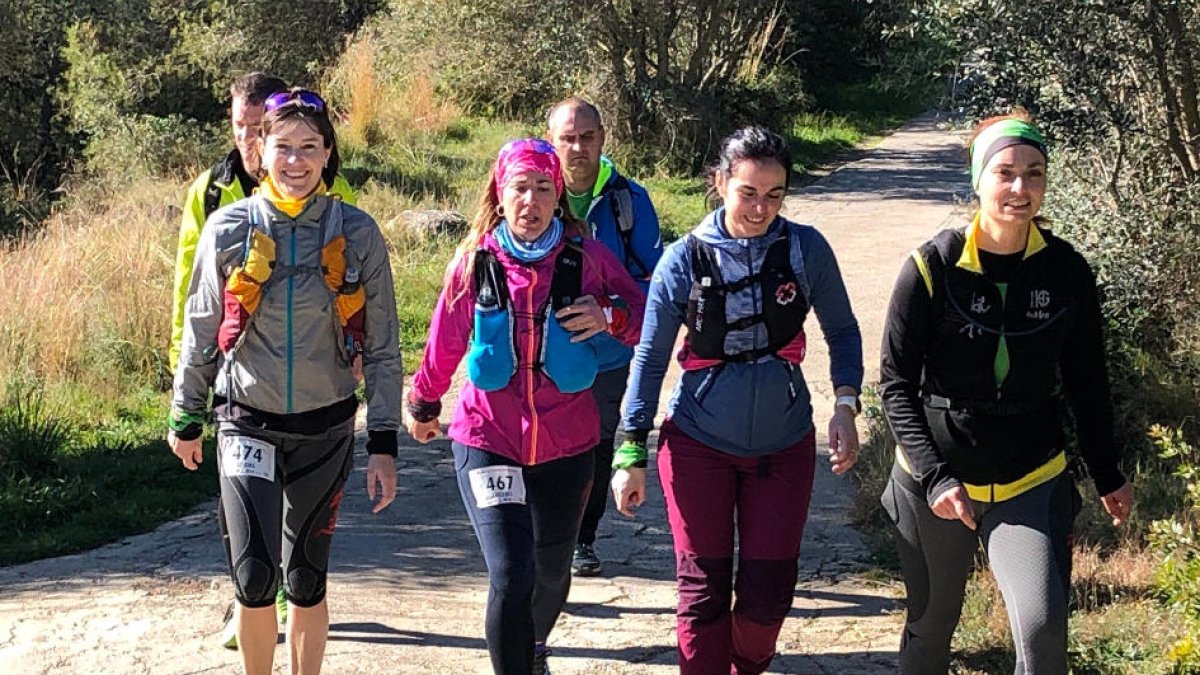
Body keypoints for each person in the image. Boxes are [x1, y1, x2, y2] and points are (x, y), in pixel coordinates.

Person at [878, 111, 1135, 674]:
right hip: (935, 481)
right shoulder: (931, 267)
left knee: (1042, 633)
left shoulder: (1066, 270)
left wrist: (1107, 471)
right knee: (931, 629)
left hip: (1030, 476)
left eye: (1034, 173)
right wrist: (935, 476)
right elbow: (895, 385)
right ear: (978, 179)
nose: (1021, 188)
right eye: (1006, 173)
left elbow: (1088, 380)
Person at [612, 126, 864, 675]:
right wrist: (630, 451)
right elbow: (650, 360)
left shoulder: (804, 248)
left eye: (775, 195)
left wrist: (845, 405)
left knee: (767, 597)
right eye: (748, 192)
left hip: (784, 442)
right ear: (720, 182)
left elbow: (843, 332)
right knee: (702, 596)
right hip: (697, 443)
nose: (760, 208)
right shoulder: (682, 261)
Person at [169, 88, 403, 675]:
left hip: (325, 428)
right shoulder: (228, 229)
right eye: (282, 147)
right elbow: (199, 328)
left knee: (305, 580)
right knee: (252, 578)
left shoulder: (358, 232)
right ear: (258, 149)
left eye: (308, 147)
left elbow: (383, 347)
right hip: (246, 419)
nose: (294, 161)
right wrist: (185, 414)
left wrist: (383, 443)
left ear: (328, 154)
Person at [406, 138, 645, 675]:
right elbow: (444, 342)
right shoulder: (474, 262)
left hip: (569, 442)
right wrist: (423, 403)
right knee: (512, 572)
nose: (530, 203)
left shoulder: (587, 258)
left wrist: (609, 314)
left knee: (552, 570)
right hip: (488, 439)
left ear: (557, 195)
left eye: (542, 189)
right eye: (519, 188)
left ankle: (533, 649)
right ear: (500, 193)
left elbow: (641, 312)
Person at [545, 97, 662, 577]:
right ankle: (544, 540)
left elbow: (656, 285)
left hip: (608, 357)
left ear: (602, 139)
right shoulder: (528, 192)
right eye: (567, 138)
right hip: (540, 356)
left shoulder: (629, 201)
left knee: (594, 452)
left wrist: (609, 314)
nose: (578, 147)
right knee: (543, 449)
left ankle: (580, 541)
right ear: (550, 141)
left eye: (587, 137)